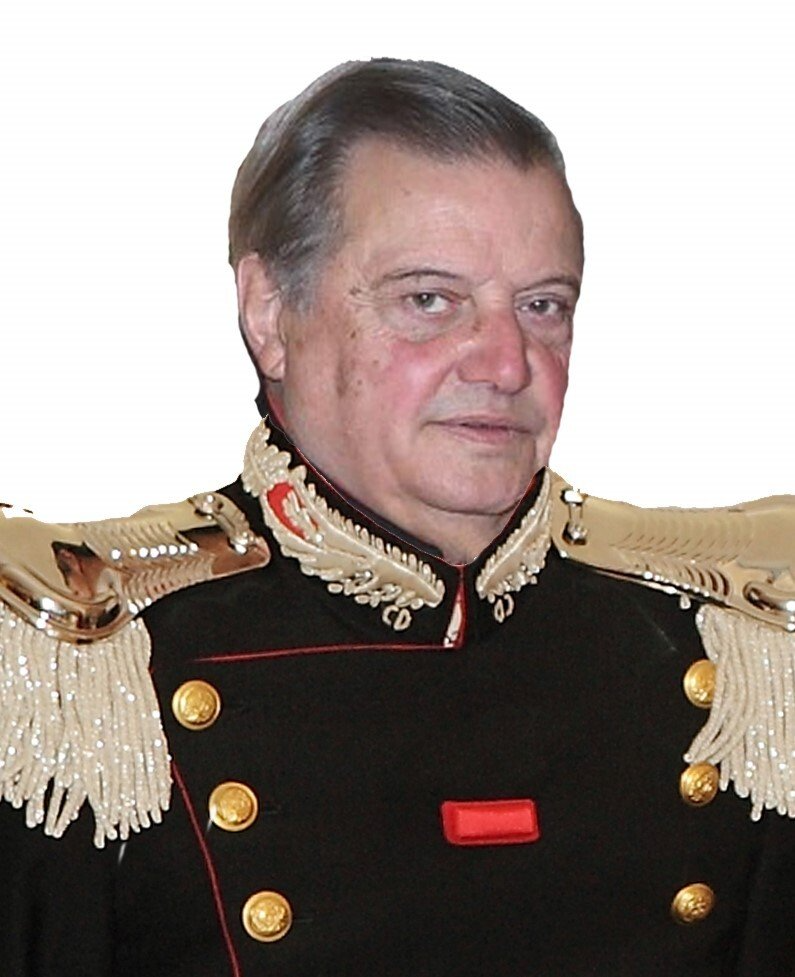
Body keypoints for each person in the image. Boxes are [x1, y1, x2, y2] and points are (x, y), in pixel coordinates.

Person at [1, 58, 794, 977]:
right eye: (428, 300)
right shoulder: (81, 668)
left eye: (541, 305)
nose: (506, 363)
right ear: (270, 314)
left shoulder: (735, 649)